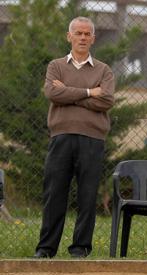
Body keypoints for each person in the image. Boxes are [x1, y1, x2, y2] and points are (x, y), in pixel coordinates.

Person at [34, 17, 115, 258]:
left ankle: (80, 248)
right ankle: (46, 249)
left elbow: (107, 100)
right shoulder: (56, 66)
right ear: (69, 36)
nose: (82, 37)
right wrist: (90, 92)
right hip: (61, 137)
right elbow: (51, 92)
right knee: (54, 194)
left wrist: (67, 92)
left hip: (93, 139)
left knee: (87, 195)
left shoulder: (104, 70)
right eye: (77, 33)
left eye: (86, 34)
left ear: (93, 38)